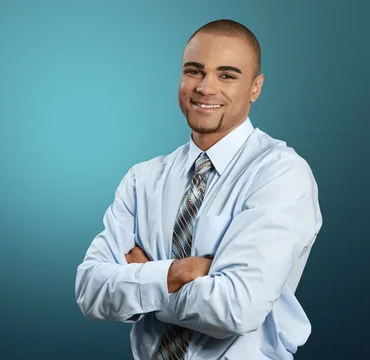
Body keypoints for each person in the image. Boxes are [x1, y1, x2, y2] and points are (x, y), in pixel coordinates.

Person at [74, 19, 322, 360]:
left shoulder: (280, 174)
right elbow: (90, 291)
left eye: (227, 75)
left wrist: (142, 282)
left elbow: (237, 309)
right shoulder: (143, 179)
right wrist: (180, 272)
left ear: (255, 87)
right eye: (194, 71)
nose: (206, 87)